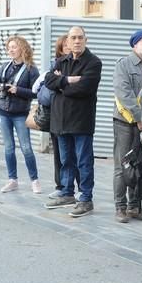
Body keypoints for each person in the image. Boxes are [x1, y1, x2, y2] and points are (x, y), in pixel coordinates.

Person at [44, 26, 102, 218]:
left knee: (83, 161)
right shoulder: (62, 61)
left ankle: (86, 199)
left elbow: (85, 88)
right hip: (61, 120)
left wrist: (61, 85)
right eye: (73, 38)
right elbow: (48, 80)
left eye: (80, 37)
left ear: (86, 40)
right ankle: (67, 193)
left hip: (81, 120)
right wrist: (68, 80)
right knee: (65, 160)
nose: (76, 41)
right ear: (67, 41)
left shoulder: (93, 63)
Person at [112, 29, 142, 223]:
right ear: (135, 44)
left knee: (140, 165)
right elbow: (124, 94)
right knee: (123, 165)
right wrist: (139, 118)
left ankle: (135, 206)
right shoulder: (124, 64)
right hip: (125, 122)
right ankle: (120, 207)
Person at [0, 36, 41, 194]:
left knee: (26, 148)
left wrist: (17, 90)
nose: (11, 50)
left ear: (23, 48)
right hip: (2, 111)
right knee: (8, 148)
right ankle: (12, 180)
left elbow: (37, 93)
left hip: (20, 113)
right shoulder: (5, 66)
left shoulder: (31, 69)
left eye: (14, 47)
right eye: (9, 47)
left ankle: (34, 180)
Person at [46, 34, 79, 199]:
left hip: (76, 118)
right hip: (57, 116)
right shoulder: (55, 65)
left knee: (78, 155)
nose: (69, 49)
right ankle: (63, 187)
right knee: (61, 155)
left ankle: (79, 189)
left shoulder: (81, 64)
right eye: (65, 47)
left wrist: (61, 82)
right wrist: (64, 81)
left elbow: (82, 87)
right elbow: (46, 88)